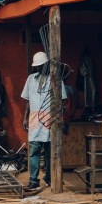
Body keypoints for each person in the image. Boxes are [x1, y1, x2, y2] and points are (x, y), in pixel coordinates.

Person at [21, 51, 66, 190]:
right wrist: (25, 117)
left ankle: (50, 178)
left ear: (47, 65)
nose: (39, 68)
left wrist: (60, 118)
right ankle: (33, 180)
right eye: (38, 66)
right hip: (34, 118)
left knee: (49, 151)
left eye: (41, 66)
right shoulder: (30, 79)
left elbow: (61, 101)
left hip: (50, 119)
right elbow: (27, 100)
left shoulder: (56, 79)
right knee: (34, 151)